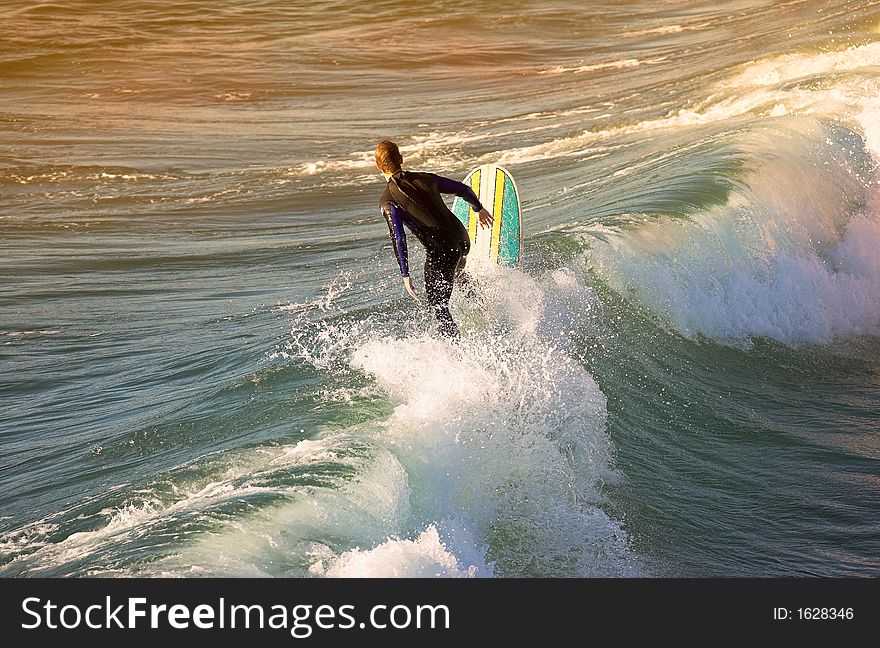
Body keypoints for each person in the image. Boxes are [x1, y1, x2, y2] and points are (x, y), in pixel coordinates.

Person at [375, 139, 492, 337]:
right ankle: (485, 310)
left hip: (442, 252)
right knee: (459, 272)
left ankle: (458, 352)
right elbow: (463, 190)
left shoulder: (388, 201)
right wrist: (478, 209)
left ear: (378, 166)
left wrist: (405, 274)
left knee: (438, 307)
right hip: (462, 239)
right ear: (401, 159)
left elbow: (398, 237)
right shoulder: (426, 178)